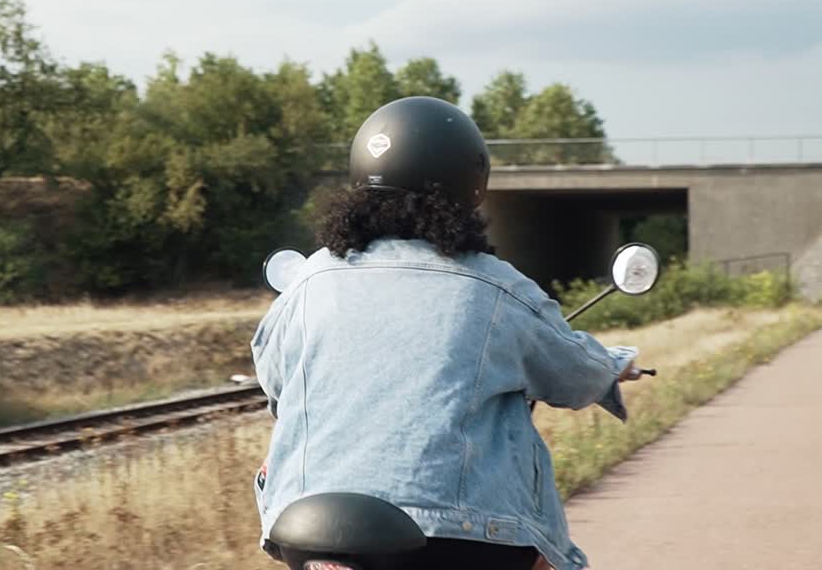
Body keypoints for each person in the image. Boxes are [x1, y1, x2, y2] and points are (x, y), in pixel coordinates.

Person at [251, 96, 642, 570]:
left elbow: (274, 378)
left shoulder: (311, 279)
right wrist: (614, 365)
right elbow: (573, 376)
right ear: (470, 186)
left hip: (305, 523)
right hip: (453, 537)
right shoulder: (494, 287)